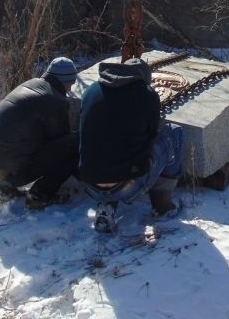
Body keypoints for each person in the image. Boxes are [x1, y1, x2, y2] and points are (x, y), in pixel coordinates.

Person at [78, 57, 183, 232]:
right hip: (130, 184)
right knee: (174, 132)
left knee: (104, 146)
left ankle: (106, 205)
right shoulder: (147, 95)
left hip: (90, 182)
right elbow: (151, 135)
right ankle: (162, 205)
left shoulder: (90, 91)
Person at [0, 57, 80, 209]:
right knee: (72, 147)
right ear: (66, 81)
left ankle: (5, 185)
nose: (71, 88)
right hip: (7, 169)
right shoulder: (55, 100)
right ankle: (39, 195)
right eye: (71, 83)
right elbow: (61, 142)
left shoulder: (32, 84)